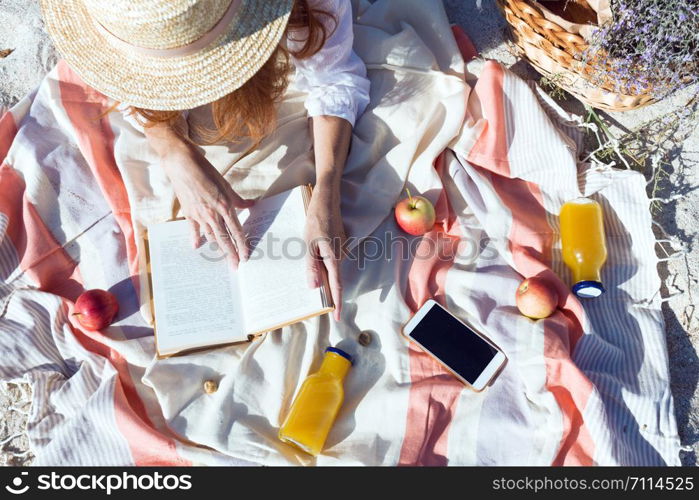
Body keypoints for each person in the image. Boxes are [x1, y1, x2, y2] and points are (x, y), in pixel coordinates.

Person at [40, 0, 371, 321]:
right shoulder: (110, 16)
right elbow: (127, 86)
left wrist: (328, 185)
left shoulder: (310, 7)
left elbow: (334, 78)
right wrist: (174, 152)